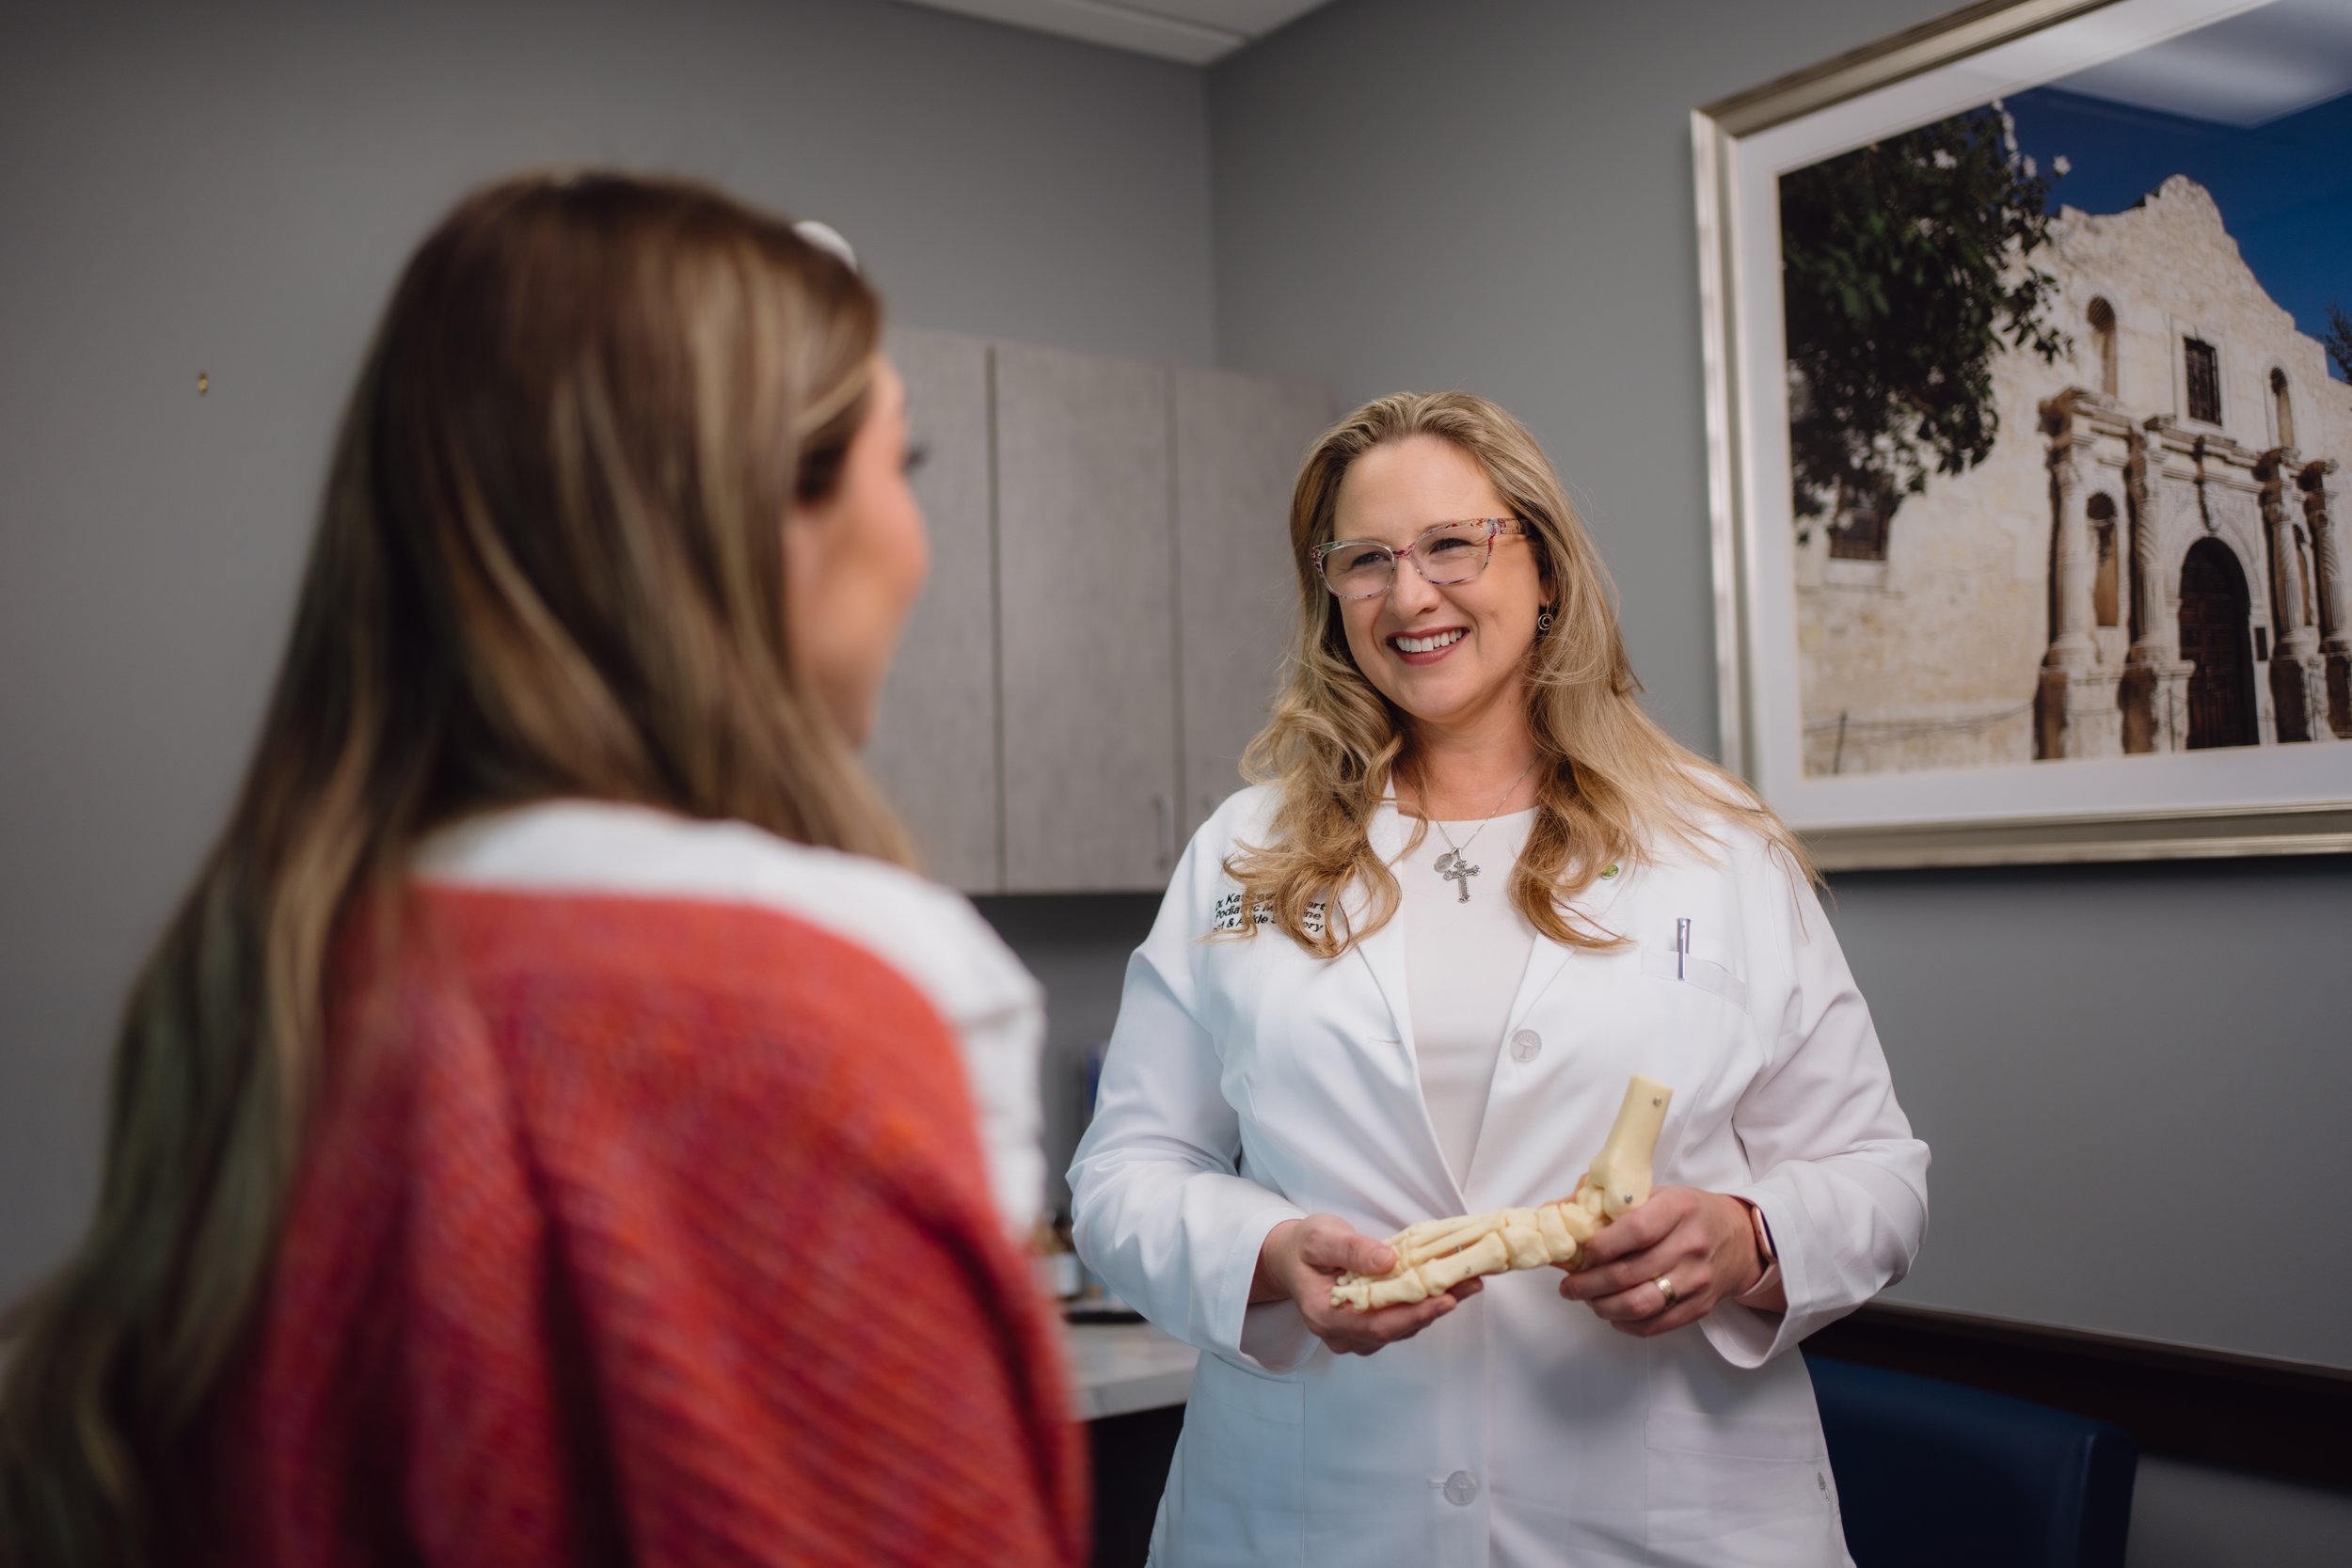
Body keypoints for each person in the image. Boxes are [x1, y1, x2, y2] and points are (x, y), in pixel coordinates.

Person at [0, 172, 1085, 1568]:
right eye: (902, 461)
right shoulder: (847, 998)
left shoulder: (260, 965)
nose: (916, 545)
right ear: (766, 513)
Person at [1070, 391, 1928, 1567]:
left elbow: (1875, 1170)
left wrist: (1746, 1238)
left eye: (1450, 545)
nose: (1408, 595)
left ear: (1546, 569)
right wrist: (1265, 1254)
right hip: (1317, 1514)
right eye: (1364, 559)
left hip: (1660, 1519)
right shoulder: (1242, 851)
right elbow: (1122, 1171)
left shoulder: (1715, 844)